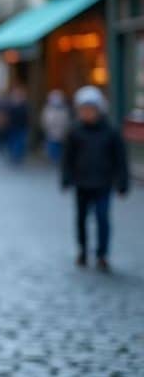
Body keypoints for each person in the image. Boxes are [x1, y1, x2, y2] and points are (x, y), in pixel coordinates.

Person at [61, 86, 129, 272]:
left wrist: (122, 182)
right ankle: (83, 250)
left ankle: (102, 254)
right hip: (82, 182)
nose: (87, 113)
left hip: (103, 182)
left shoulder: (110, 131)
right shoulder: (75, 131)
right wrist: (66, 178)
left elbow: (120, 158)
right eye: (84, 109)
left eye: (90, 109)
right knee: (81, 219)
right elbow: (68, 157)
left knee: (102, 218)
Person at [41, 89, 71, 164]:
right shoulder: (48, 108)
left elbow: (66, 121)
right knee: (52, 146)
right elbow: (45, 119)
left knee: (59, 146)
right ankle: (53, 158)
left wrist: (64, 129)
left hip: (60, 132)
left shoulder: (64, 109)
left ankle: (57, 159)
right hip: (51, 131)